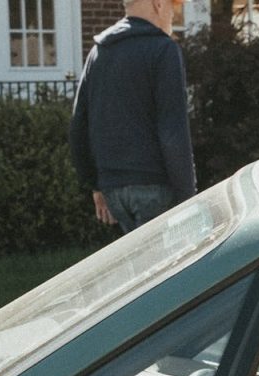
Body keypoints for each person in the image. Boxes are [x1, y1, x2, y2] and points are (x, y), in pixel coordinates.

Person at [69, 0, 196, 234]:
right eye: (173, 7)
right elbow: (173, 131)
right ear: (158, 4)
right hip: (155, 188)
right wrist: (188, 198)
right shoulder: (163, 49)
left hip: (114, 191)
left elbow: (79, 126)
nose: (173, 15)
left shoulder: (99, 51)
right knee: (170, 269)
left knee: (141, 269)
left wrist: (95, 184)